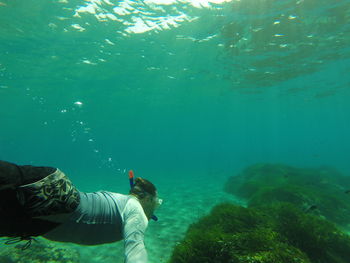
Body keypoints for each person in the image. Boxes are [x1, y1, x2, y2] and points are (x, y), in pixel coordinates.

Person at [0, 160, 162, 263]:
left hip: (49, 207)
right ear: (147, 199)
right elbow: (135, 250)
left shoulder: (120, 199)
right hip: (58, 205)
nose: (156, 206)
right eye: (157, 202)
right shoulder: (137, 212)